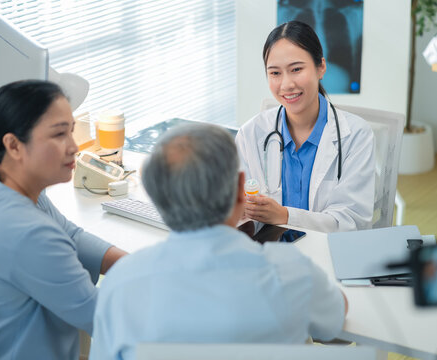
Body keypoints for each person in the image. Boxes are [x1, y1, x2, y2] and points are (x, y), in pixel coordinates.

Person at [89, 123, 348, 360]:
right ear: (240, 189)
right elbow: (334, 320)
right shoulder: (289, 272)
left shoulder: (120, 283)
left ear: (157, 199)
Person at [0, 80, 127, 359]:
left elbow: (71, 235)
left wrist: (132, 265)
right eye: (59, 135)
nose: (74, 147)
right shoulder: (27, 232)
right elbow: (103, 319)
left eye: (71, 131)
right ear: (14, 145)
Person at [235, 21, 375, 233]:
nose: (286, 84)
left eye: (296, 69)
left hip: (328, 256)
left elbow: (353, 221)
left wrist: (285, 216)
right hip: (268, 254)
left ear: (321, 67)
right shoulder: (250, 133)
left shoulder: (356, 135)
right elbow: (237, 211)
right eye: (275, 73)